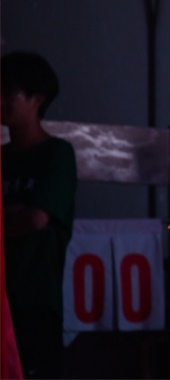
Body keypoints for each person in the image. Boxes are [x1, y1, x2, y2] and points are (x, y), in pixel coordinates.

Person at [1, 51, 77, 379]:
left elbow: (36, 219)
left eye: (9, 93)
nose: (0, 101)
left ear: (37, 99)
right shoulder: (3, 156)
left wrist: (22, 217)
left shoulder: (57, 154)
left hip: (36, 301)